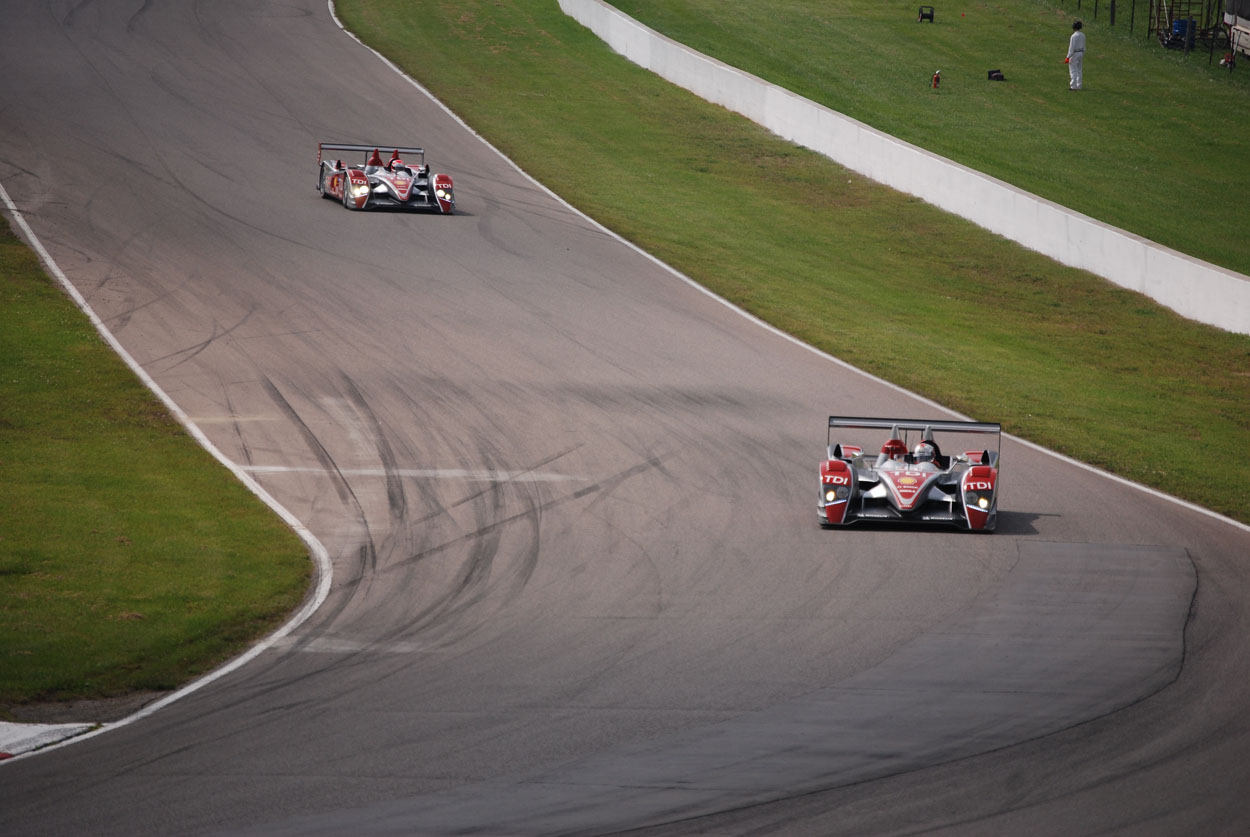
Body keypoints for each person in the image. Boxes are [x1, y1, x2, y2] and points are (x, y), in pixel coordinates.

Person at [1067, 20, 1085, 90]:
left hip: (1074, 53)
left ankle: (1073, 86)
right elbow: (1084, 46)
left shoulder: (1074, 36)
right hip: (1081, 53)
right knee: (1079, 69)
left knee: (1073, 70)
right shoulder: (1083, 35)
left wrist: (1068, 57)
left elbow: (1071, 47)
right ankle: (1079, 85)